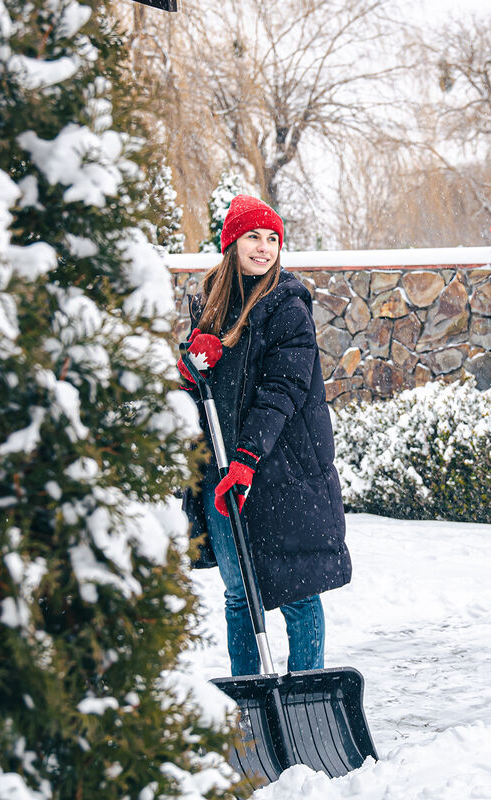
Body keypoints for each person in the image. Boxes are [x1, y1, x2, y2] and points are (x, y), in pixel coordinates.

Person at [179, 194, 352, 677]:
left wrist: (248, 457)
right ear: (231, 243)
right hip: (222, 471)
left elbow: (284, 388)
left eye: (272, 238)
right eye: (253, 237)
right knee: (239, 596)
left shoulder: (287, 306)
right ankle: (251, 700)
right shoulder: (212, 304)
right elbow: (204, 392)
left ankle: (305, 692)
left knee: (297, 594)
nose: (263, 247)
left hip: (278, 473)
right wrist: (191, 367)